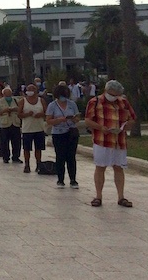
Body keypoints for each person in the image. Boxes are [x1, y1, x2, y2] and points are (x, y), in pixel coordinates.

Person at [84, 80, 137, 208]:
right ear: (106, 91)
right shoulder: (95, 102)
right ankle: (98, 196)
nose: (114, 97)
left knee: (118, 168)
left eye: (116, 95)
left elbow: (132, 118)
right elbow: (87, 120)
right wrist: (101, 128)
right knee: (100, 167)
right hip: (102, 140)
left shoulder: (123, 102)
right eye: (112, 94)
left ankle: (121, 197)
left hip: (119, 141)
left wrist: (125, 126)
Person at [46, 84, 80, 188]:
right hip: (58, 133)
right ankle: (60, 179)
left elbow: (78, 117)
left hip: (71, 132)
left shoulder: (72, 104)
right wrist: (60, 119)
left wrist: (74, 119)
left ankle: (73, 179)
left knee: (71, 157)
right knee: (60, 156)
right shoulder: (52, 105)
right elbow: (48, 120)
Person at [18, 83, 47, 173]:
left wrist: (41, 114)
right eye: (28, 89)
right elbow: (19, 114)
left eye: (32, 89)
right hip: (27, 129)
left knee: (38, 148)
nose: (30, 91)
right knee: (27, 148)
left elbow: (46, 113)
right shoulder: (23, 101)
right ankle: (27, 165)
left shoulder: (41, 101)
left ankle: (39, 164)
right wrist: (27, 114)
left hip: (39, 128)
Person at [0, 87, 22, 163]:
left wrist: (15, 109)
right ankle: (5, 157)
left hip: (15, 123)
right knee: (4, 142)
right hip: (5, 124)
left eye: (9, 93)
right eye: (6, 94)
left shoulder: (16, 100)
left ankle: (16, 156)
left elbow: (21, 109)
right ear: (3, 94)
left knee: (16, 141)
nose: (8, 95)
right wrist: (4, 110)